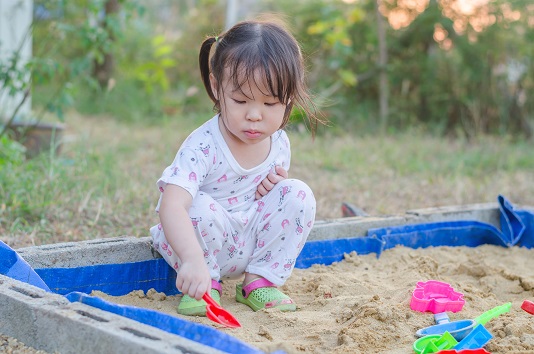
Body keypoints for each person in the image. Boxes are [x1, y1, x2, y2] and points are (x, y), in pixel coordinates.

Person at [150, 17, 324, 316]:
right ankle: (207, 285)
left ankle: (258, 282)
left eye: (270, 104)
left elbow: (271, 206)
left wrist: (274, 191)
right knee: (197, 206)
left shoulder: (279, 142)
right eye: (241, 100)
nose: (255, 115)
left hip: (247, 243)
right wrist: (193, 259)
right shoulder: (204, 145)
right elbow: (171, 206)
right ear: (217, 88)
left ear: (289, 98)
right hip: (200, 247)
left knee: (298, 193)